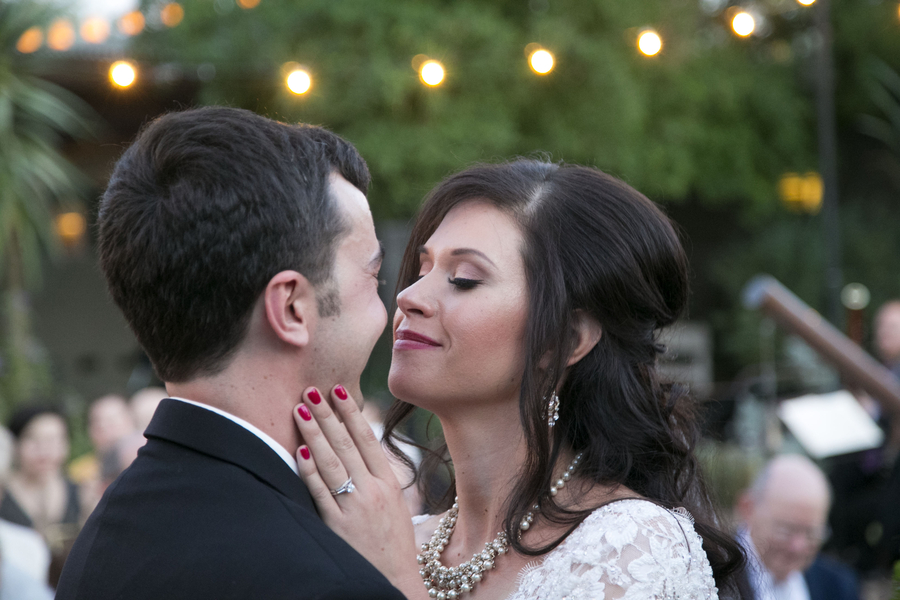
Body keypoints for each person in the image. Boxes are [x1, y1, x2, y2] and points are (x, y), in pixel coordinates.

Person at [290, 160, 745, 599]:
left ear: (565, 340)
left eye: (464, 278)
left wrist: (395, 580)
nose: (409, 297)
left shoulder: (628, 547)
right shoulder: (398, 539)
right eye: (422, 268)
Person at [55, 107, 405, 600]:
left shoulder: (103, 537)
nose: (395, 305)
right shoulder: (326, 579)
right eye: (374, 277)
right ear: (291, 307)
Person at [735, 454, 859, 600]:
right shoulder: (713, 572)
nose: (798, 546)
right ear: (748, 508)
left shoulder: (837, 586)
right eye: (785, 531)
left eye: (812, 534)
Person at [0, 406, 81, 586]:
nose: (43, 449)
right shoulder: (2, 495)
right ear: (16, 443)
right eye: (33, 439)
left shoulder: (83, 494)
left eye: (52, 439)